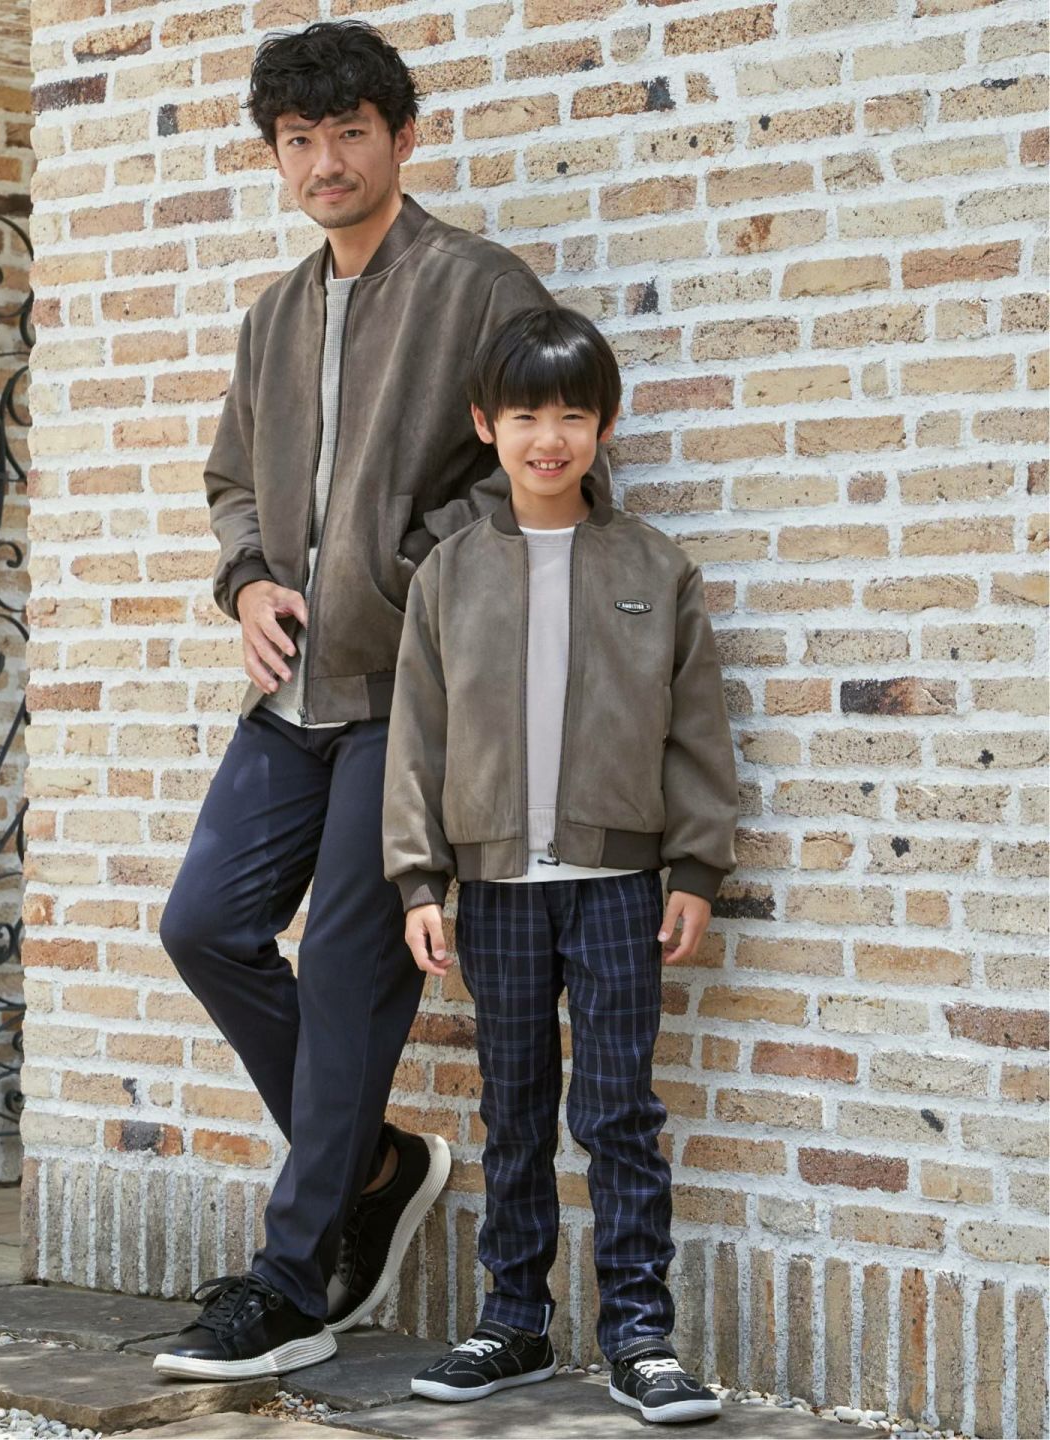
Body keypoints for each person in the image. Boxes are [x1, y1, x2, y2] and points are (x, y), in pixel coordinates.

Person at [153, 21, 610, 1382]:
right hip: (290, 697)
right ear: (276, 156)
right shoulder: (273, 316)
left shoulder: (479, 286)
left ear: (402, 139)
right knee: (204, 925)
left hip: (407, 701)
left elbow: (549, 473)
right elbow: (233, 483)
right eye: (299, 141)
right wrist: (246, 581)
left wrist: (402, 571)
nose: (325, 163)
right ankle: (377, 1162)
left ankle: (293, 1285)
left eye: (350, 133)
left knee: (351, 981)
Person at [382, 308, 738, 1424]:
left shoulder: (655, 568)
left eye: (573, 416)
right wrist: (417, 880)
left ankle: (640, 1335)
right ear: (486, 424)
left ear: (605, 426)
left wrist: (695, 868)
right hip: (493, 893)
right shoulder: (448, 575)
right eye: (526, 414)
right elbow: (416, 736)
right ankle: (513, 1323)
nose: (550, 438)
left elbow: (696, 730)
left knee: (620, 1112)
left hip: (620, 889)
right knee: (516, 1111)